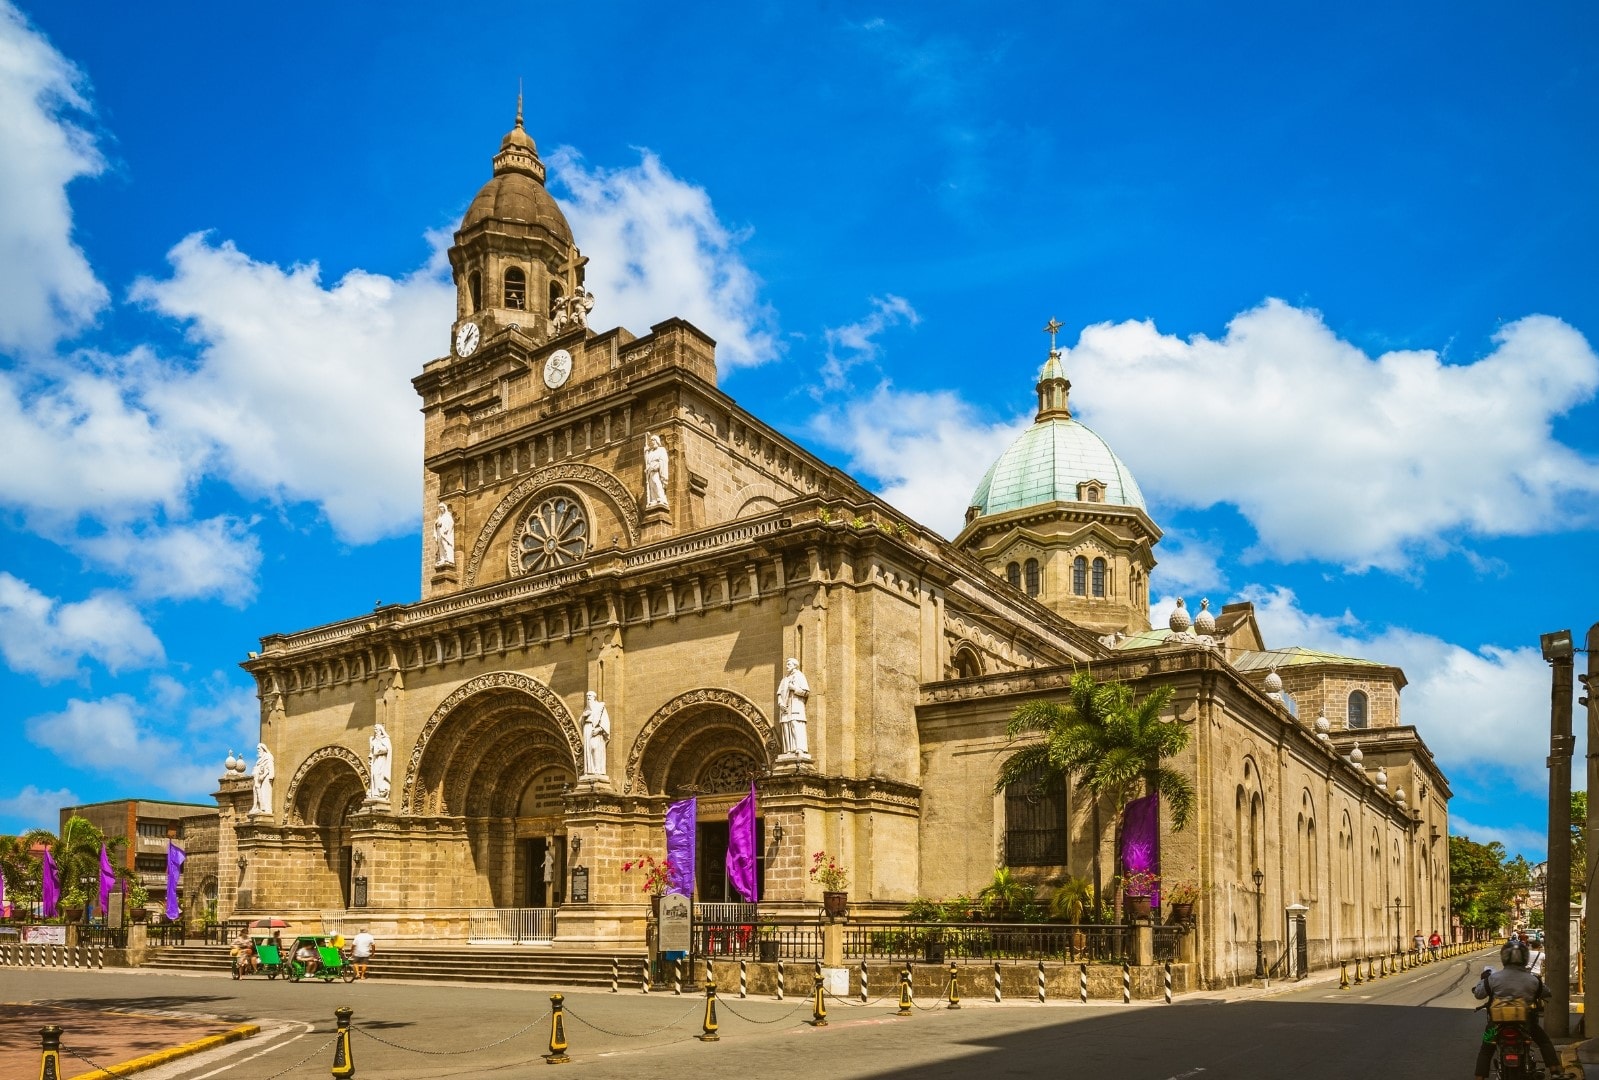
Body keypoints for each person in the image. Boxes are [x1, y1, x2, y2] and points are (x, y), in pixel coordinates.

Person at [1471, 938, 1571, 1079]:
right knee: (1543, 1041)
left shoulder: (1493, 978)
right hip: (1526, 1023)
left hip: (1496, 1023)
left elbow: (1478, 994)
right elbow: (1547, 992)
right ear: (1524, 958)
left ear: (1504, 957)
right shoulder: (1532, 980)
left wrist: (1483, 979)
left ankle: (1479, 1077)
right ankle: (1555, 1072)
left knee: (1486, 1048)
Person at [776, 657, 811, 759]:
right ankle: (788, 750)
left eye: (789, 664)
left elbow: (806, 692)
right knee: (786, 726)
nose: (787, 666)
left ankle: (799, 748)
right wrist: (780, 703)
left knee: (795, 724)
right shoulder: (785, 679)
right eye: (787, 664)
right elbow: (779, 693)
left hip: (795, 705)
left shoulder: (800, 676)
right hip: (785, 708)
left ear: (795, 665)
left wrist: (794, 688)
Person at [580, 692, 610, 778]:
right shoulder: (586, 709)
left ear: (594, 697)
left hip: (596, 730)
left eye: (590, 696)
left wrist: (599, 729)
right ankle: (589, 771)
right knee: (588, 749)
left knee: (595, 747)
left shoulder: (600, 706)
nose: (588, 698)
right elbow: (581, 722)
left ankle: (598, 770)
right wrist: (583, 716)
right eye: (587, 696)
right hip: (587, 728)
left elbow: (606, 721)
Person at [643, 433, 669, 508]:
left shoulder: (661, 450)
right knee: (651, 485)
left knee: (656, 482)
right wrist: (645, 452)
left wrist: (658, 466)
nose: (652, 442)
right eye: (651, 441)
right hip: (650, 470)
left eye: (653, 440)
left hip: (656, 469)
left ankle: (661, 497)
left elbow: (663, 460)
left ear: (657, 441)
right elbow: (647, 461)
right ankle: (654, 499)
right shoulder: (651, 452)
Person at [368, 723, 392, 800]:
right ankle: (375, 792)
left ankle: (379, 791)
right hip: (375, 760)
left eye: (377, 730)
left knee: (379, 774)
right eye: (374, 730)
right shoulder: (374, 740)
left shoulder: (385, 739)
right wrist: (370, 758)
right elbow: (372, 751)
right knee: (374, 774)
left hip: (382, 760)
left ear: (381, 730)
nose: (375, 732)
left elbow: (387, 749)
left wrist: (378, 749)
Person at [251, 744, 275, 815]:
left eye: (259, 749)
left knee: (265, 793)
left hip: (265, 779)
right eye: (257, 749)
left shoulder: (268, 757)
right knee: (256, 791)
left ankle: (266, 808)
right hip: (258, 779)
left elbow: (269, 767)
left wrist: (268, 776)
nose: (258, 750)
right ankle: (258, 807)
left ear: (263, 749)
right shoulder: (260, 759)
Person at [434, 502, 456, 567]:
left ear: (444, 508)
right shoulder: (440, 517)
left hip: (445, 533)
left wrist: (446, 528)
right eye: (439, 508)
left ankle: (448, 558)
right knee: (440, 545)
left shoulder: (447, 516)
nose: (440, 509)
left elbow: (451, 523)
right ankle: (442, 558)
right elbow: (436, 524)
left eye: (441, 507)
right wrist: (437, 524)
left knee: (445, 544)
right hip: (439, 532)